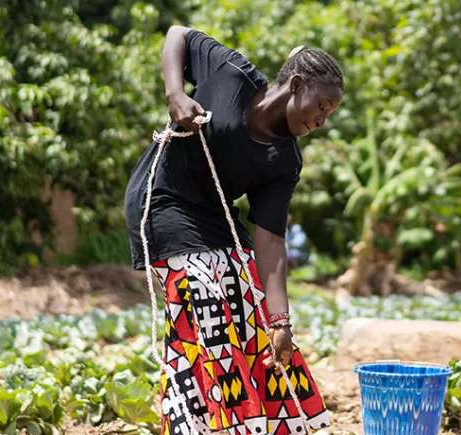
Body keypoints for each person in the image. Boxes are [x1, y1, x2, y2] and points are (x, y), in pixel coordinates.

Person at [122, 25, 342, 435]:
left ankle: (250, 424)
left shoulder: (284, 162)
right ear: (296, 85)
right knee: (205, 300)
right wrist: (176, 94)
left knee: (249, 309)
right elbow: (178, 35)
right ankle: (205, 425)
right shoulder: (231, 74)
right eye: (322, 106)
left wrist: (280, 321)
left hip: (214, 220)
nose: (322, 120)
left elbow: (271, 240)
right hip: (163, 200)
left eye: (328, 112)